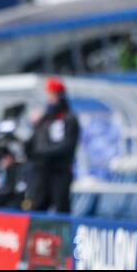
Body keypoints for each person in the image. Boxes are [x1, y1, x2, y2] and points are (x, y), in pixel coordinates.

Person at [24, 77, 80, 213]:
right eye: (49, 95)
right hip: (42, 172)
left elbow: (67, 146)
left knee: (61, 207)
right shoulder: (46, 119)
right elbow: (32, 142)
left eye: (53, 96)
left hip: (60, 172)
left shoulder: (69, 119)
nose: (50, 99)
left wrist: (41, 152)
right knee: (37, 206)